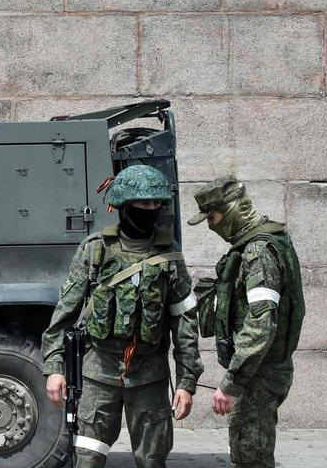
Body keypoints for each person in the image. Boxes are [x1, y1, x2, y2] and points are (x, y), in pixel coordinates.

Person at [42, 164, 203, 467]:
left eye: (156, 204)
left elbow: (184, 322)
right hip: (98, 374)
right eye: (144, 204)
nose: (151, 210)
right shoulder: (95, 250)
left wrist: (186, 382)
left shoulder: (169, 255)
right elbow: (63, 315)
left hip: (150, 376)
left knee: (152, 459)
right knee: (87, 458)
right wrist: (54, 367)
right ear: (125, 207)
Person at [189, 176, 305, 468]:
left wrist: (231, 383)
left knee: (250, 456)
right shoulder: (259, 243)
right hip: (259, 370)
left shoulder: (258, 252)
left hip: (259, 374)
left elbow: (261, 325)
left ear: (231, 211)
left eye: (213, 217)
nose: (211, 225)